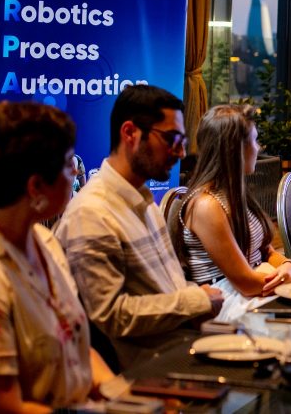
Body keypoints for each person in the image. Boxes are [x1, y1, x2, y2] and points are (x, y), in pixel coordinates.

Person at [56, 85, 224, 369]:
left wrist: (198, 303)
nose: (181, 152)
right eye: (171, 139)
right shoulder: (92, 214)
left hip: (182, 348)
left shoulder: (144, 202)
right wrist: (195, 302)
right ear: (130, 133)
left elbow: (169, 290)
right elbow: (111, 316)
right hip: (151, 371)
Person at [0, 101, 114, 411]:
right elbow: (0, 407)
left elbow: (76, 350)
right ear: (36, 185)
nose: (76, 170)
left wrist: (127, 397)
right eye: (67, 163)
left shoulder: (46, 242)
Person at [171, 104, 291, 322]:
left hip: (253, 290)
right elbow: (245, 283)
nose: (259, 148)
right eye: (254, 140)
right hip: (227, 303)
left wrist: (289, 266)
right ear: (234, 149)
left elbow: (265, 251)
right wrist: (288, 285)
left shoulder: (233, 192)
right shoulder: (206, 205)